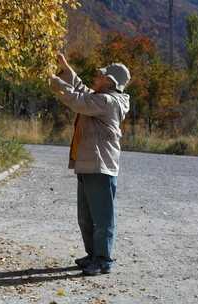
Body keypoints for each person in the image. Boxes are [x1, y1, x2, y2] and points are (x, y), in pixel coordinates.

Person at [49, 53, 131, 276]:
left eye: (102, 75)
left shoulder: (107, 101)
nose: (97, 76)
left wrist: (53, 80)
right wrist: (66, 70)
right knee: (85, 217)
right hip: (89, 165)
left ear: (110, 82)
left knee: (102, 218)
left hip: (100, 166)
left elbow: (78, 101)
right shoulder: (100, 97)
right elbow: (83, 92)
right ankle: (93, 254)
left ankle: (103, 259)